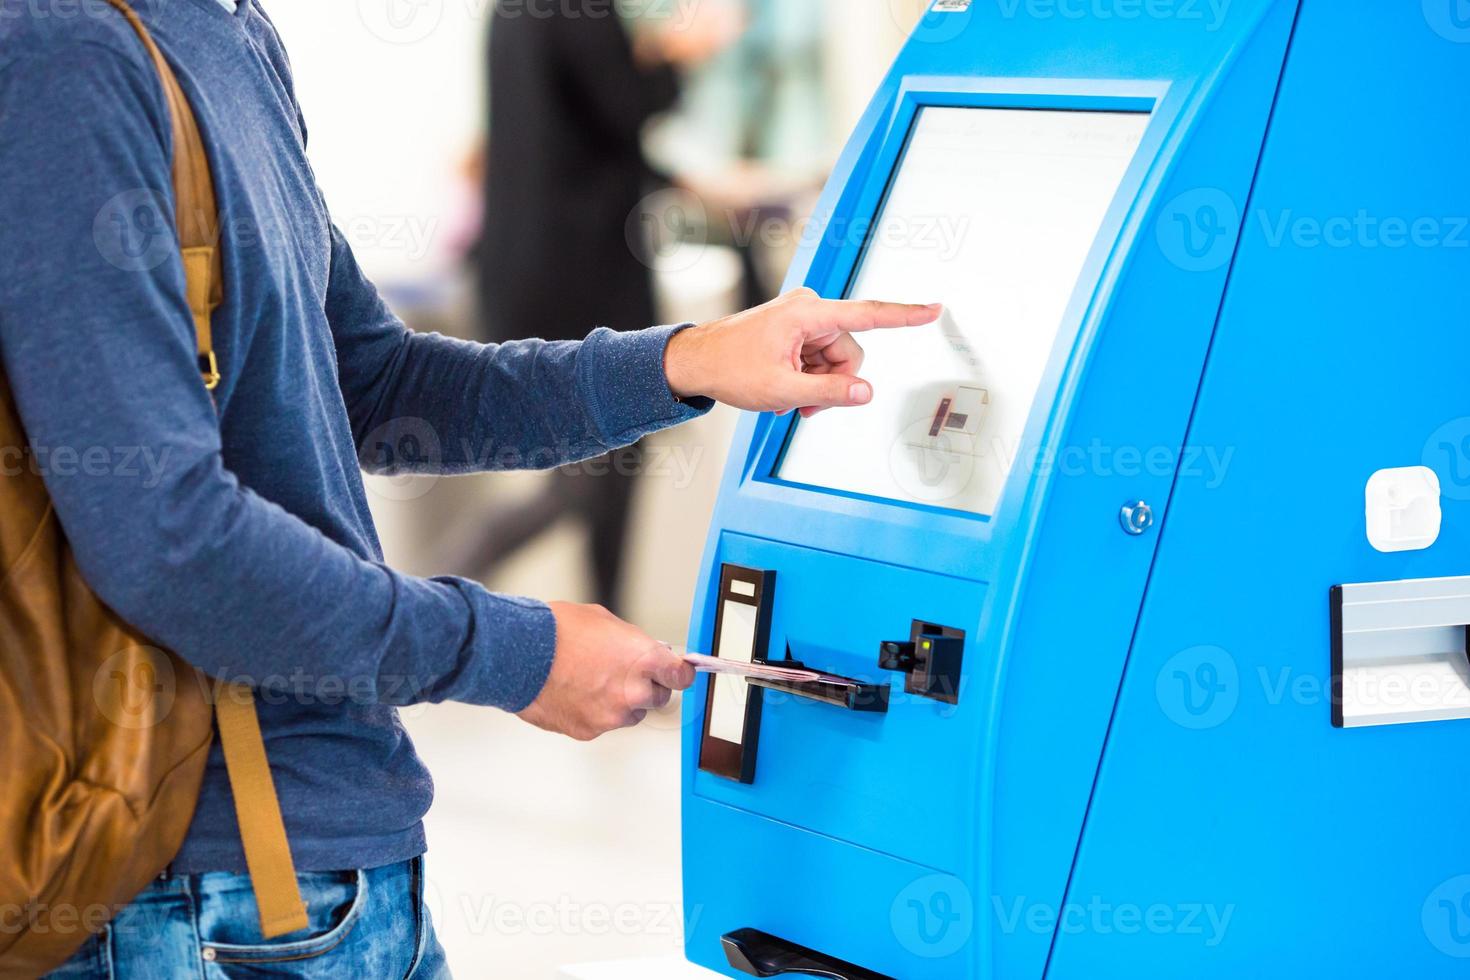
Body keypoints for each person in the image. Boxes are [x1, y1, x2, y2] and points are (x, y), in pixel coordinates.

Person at [0, 1, 940, 976]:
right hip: (206, 888)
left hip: (331, 860)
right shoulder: (65, 49)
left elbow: (378, 382)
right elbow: (170, 541)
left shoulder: (224, 31)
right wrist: (515, 652)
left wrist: (691, 361)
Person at [468, 0, 738, 611]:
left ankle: (586, 616)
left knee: (588, 465)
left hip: (527, 264)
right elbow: (627, 103)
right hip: (579, 270)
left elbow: (579, 130)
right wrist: (677, 52)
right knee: (603, 460)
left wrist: (675, 181)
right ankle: (457, 579)